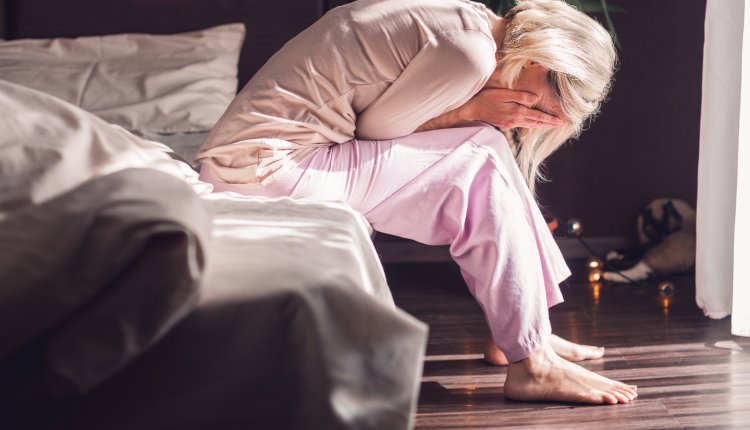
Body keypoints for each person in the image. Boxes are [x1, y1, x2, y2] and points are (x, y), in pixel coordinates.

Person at [196, 0, 637, 404]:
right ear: (542, 59)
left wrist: (481, 114)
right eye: (546, 102)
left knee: (486, 146)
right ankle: (531, 362)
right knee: (482, 154)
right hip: (264, 170)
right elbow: (379, 129)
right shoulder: (469, 53)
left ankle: (526, 332)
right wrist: (474, 110)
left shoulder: (472, 20)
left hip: (256, 160)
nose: (537, 115)